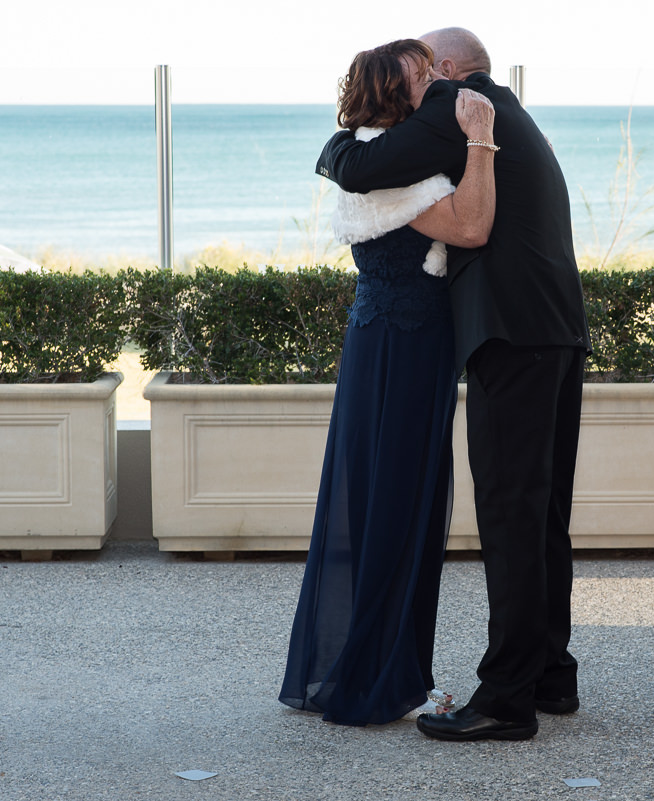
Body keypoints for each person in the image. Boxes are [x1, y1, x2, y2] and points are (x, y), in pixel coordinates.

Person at [316, 27, 590, 742]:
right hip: (555, 327)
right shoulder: (506, 109)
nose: (427, 81)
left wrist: (332, 146)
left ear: (447, 71)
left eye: (430, 68)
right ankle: (549, 673)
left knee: (508, 514)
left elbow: (359, 165)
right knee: (541, 514)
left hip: (511, 335)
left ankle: (506, 698)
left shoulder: (458, 107)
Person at [279, 39, 497, 727]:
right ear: (390, 91)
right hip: (409, 343)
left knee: (373, 492)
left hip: (377, 333)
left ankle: (360, 660)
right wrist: (483, 144)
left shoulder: (368, 154)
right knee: (399, 502)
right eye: (420, 75)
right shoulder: (395, 169)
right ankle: (376, 676)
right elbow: (473, 224)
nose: (433, 82)